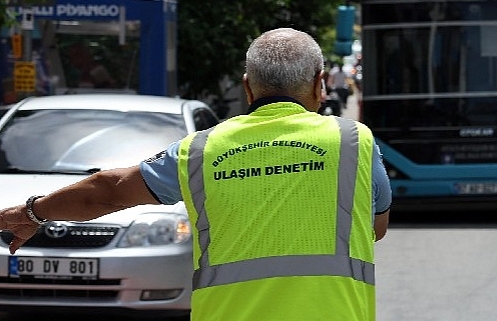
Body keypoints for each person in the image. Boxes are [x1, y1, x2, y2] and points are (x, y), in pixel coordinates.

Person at [0, 28, 392, 321]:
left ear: (247, 89)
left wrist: (32, 212)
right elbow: (374, 227)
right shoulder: (354, 141)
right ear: (320, 84)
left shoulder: (201, 150)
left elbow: (108, 190)